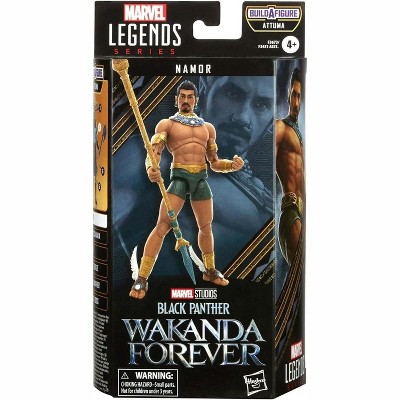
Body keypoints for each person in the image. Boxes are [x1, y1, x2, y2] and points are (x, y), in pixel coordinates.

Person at [130, 80, 244, 299]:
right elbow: (154, 153)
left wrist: (232, 165)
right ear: (176, 99)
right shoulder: (167, 124)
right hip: (179, 178)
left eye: (190, 97)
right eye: (182, 96)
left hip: (201, 179)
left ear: (196, 100)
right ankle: (141, 278)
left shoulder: (208, 128)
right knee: (162, 226)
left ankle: (210, 271)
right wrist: (151, 168)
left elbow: (215, 163)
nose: (185, 100)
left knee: (206, 228)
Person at [275, 68, 305, 266]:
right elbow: (263, 160)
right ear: (288, 95)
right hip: (291, 211)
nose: (296, 102)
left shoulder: (301, 135)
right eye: (294, 95)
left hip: (304, 213)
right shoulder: (281, 127)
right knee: (298, 271)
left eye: (300, 96)